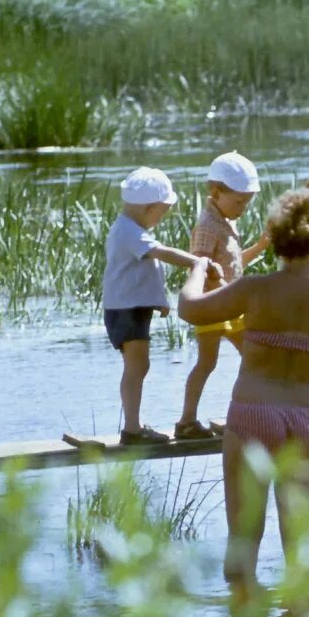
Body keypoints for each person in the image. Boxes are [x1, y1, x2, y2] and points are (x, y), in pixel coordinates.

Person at [178, 188, 309, 588]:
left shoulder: (255, 288)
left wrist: (196, 270)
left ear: (276, 237)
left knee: (243, 543)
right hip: (306, 421)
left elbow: (190, 308)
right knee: (301, 542)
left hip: (252, 416)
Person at [103, 167, 222, 445]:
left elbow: (142, 274)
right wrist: (196, 262)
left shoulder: (131, 230)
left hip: (131, 307)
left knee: (139, 366)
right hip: (125, 310)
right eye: (162, 212)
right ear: (149, 208)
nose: (162, 218)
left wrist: (159, 303)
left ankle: (134, 425)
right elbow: (161, 253)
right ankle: (132, 429)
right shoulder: (128, 231)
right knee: (137, 366)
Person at [174, 152, 269, 440]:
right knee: (207, 362)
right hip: (213, 305)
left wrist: (263, 244)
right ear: (216, 192)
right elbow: (200, 265)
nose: (243, 208)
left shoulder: (227, 222)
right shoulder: (206, 226)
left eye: (247, 203)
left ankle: (251, 412)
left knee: (255, 356)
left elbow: (235, 262)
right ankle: (187, 421)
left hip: (233, 305)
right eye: (239, 201)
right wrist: (214, 277)